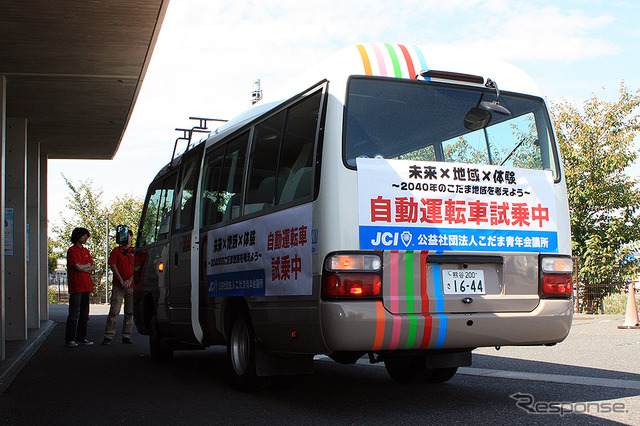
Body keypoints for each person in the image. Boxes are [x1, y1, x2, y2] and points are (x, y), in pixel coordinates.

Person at [102, 228, 135, 345]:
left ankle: (127, 335)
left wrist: (129, 280)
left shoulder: (135, 251)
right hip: (118, 286)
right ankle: (108, 335)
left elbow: (138, 267)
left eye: (128, 236)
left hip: (131, 286)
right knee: (114, 311)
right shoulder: (116, 251)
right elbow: (113, 265)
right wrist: (121, 280)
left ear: (131, 237)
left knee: (129, 312)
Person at [65, 227, 95, 347]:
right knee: (74, 314)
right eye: (84, 236)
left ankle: (81, 337)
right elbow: (77, 267)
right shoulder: (72, 251)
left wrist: (84, 267)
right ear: (78, 236)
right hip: (76, 287)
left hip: (87, 286)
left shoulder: (86, 251)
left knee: (84, 314)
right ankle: (70, 339)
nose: (86, 238)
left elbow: (92, 266)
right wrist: (86, 267)